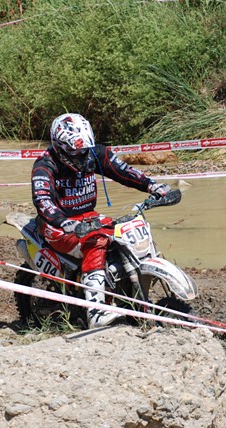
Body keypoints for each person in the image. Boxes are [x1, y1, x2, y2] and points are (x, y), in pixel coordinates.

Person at [31, 113, 171, 328]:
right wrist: (64, 222)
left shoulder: (94, 154)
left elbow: (124, 171)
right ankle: (96, 311)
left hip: (89, 217)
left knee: (124, 234)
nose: (80, 155)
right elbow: (42, 200)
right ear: (59, 146)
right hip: (58, 226)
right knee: (96, 241)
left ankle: (128, 294)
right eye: (74, 150)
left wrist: (153, 186)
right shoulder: (45, 164)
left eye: (84, 148)